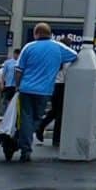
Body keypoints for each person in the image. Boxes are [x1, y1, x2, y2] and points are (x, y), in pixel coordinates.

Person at [12, 23, 77, 154]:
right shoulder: (57, 47)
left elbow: (18, 69)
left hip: (26, 88)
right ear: (50, 33)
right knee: (37, 118)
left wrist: (17, 85)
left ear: (36, 33)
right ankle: (28, 138)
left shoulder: (28, 47)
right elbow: (75, 55)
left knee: (26, 118)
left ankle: (25, 147)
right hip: (45, 90)